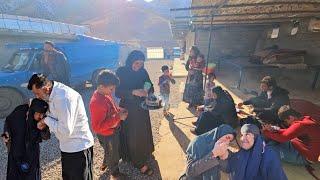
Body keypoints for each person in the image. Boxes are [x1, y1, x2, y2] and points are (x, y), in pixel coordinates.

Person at [27, 73, 94, 180]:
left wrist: (46, 120)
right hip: (66, 147)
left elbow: (66, 132)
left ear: (46, 89)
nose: (37, 97)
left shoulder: (64, 98)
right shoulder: (52, 92)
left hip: (78, 148)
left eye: (38, 93)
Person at [185, 124, 288, 180]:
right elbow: (190, 173)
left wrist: (223, 156)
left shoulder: (269, 156)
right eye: (242, 135)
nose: (243, 139)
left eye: (247, 134)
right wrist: (216, 155)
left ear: (256, 137)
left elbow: (229, 166)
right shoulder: (198, 143)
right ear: (219, 133)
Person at [115, 50, 154, 175]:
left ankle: (146, 152)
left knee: (144, 131)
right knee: (133, 135)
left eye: (141, 64)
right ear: (130, 60)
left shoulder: (143, 71)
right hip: (129, 108)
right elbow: (117, 92)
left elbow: (149, 83)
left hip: (142, 108)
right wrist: (133, 92)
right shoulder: (121, 71)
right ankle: (139, 162)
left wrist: (147, 90)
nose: (138, 66)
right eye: (136, 63)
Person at [89, 70, 128, 180]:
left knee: (110, 150)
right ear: (101, 86)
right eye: (111, 88)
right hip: (107, 134)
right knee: (113, 154)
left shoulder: (105, 94)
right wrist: (118, 117)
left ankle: (106, 161)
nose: (113, 91)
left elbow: (112, 108)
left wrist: (119, 110)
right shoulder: (96, 102)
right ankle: (115, 174)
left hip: (112, 131)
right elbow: (97, 127)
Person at [2, 98, 50, 180]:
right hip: (16, 153)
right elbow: (8, 121)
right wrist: (6, 133)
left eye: (43, 114)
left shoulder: (41, 120)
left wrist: (43, 129)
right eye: (39, 114)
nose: (41, 116)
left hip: (31, 155)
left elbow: (46, 137)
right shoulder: (19, 112)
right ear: (32, 110)